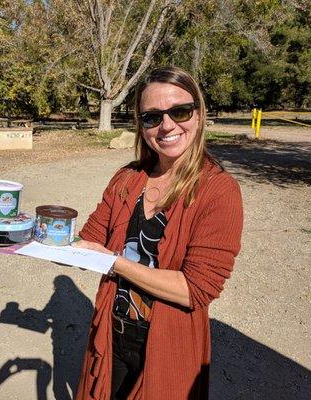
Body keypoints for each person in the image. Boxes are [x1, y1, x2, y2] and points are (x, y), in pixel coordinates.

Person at [73, 66, 243, 400]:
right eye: (152, 117)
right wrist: (32, 236)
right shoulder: (127, 179)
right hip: (112, 334)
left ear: (199, 113)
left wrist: (116, 263)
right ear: (141, 123)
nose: (167, 126)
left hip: (170, 344)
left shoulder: (218, 191)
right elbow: (89, 243)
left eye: (179, 111)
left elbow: (195, 290)